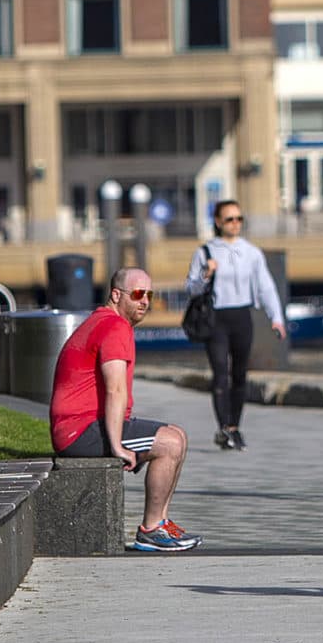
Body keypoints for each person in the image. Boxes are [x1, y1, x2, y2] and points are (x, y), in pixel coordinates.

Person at [48, 267, 199, 552]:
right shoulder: (114, 327)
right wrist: (117, 445)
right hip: (80, 432)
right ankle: (151, 530)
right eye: (138, 294)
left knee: (178, 434)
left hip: (82, 426)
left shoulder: (105, 322)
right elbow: (116, 389)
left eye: (149, 295)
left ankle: (162, 522)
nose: (145, 301)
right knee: (171, 443)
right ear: (116, 295)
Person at [186, 198, 285, 451]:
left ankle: (234, 427)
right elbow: (191, 289)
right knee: (220, 373)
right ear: (218, 222)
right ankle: (223, 429)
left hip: (242, 316)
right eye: (230, 219)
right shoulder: (205, 252)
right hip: (216, 318)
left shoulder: (251, 252)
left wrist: (277, 318)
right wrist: (205, 275)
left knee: (239, 374)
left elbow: (266, 286)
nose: (235, 223)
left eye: (239, 219)